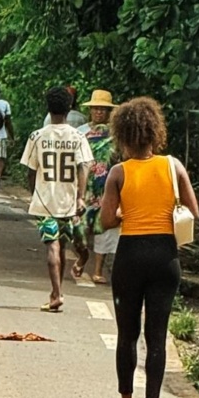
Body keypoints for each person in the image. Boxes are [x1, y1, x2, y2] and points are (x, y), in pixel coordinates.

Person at [99, 97, 199, 398]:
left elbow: (106, 221)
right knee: (157, 336)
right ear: (155, 132)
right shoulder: (173, 166)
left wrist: (125, 213)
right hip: (164, 257)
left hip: (130, 257)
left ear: (123, 135)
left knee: (127, 334)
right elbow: (193, 212)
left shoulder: (118, 173)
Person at [20, 86, 93, 312]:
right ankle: (62, 285)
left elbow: (31, 170)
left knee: (52, 246)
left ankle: (56, 294)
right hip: (69, 203)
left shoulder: (37, 136)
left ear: (48, 108)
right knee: (67, 245)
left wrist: (34, 193)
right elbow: (84, 166)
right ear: (69, 108)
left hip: (45, 203)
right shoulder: (78, 137)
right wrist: (80, 197)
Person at [72, 88, 121, 284]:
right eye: (96, 108)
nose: (99, 112)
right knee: (80, 227)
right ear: (90, 110)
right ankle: (82, 258)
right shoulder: (80, 132)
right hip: (84, 187)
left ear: (109, 112)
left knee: (104, 227)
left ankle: (98, 270)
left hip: (107, 186)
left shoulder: (116, 135)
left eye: (103, 109)